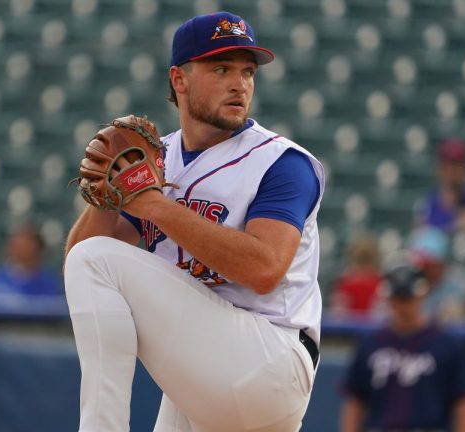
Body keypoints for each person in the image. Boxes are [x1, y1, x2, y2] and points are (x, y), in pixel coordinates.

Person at [63, 11, 325, 432]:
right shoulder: (153, 159)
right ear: (179, 80)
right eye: (221, 69)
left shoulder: (281, 162)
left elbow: (264, 270)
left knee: (95, 259)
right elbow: (82, 266)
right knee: (91, 257)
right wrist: (106, 199)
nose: (239, 83)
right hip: (211, 371)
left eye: (247, 71)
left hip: (268, 358)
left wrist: (153, 205)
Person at [340, 263, 465, 432]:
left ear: (423, 295)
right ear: (389, 298)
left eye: (408, 298)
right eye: (398, 298)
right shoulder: (371, 343)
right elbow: (355, 401)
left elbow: (463, 403)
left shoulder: (447, 344)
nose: (403, 306)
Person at [403, 227, 465, 321]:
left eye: (429, 265)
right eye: (419, 264)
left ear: (442, 264)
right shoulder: (406, 281)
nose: (423, 270)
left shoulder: (461, 283)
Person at [416, 138, 465, 235]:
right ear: (439, 168)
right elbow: (419, 234)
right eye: (447, 165)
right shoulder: (430, 200)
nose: (451, 172)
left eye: (457, 166)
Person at [0, 224, 62, 297]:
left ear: (37, 248)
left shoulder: (48, 283)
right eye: (17, 245)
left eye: (26, 245)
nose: (21, 249)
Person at [330, 232, 383, 317]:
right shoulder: (382, 283)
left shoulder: (344, 283)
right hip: (371, 329)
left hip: (348, 329)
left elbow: (338, 317)